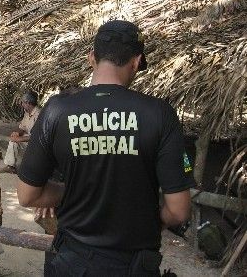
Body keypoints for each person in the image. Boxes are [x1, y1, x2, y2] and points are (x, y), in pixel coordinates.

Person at [17, 20, 195, 276]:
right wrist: (148, 221)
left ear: (92, 58)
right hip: (132, 264)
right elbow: (178, 210)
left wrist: (71, 191)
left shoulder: (57, 110)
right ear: (136, 62)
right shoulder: (161, 115)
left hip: (71, 262)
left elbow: (27, 196)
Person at [0, 91, 41, 174]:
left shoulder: (39, 114)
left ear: (28, 103)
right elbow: (22, 127)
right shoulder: (27, 112)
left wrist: (20, 139)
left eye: (23, 102)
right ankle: (10, 166)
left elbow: (37, 136)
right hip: (29, 138)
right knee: (13, 141)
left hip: (38, 142)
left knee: (16, 140)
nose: (21, 104)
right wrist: (17, 133)